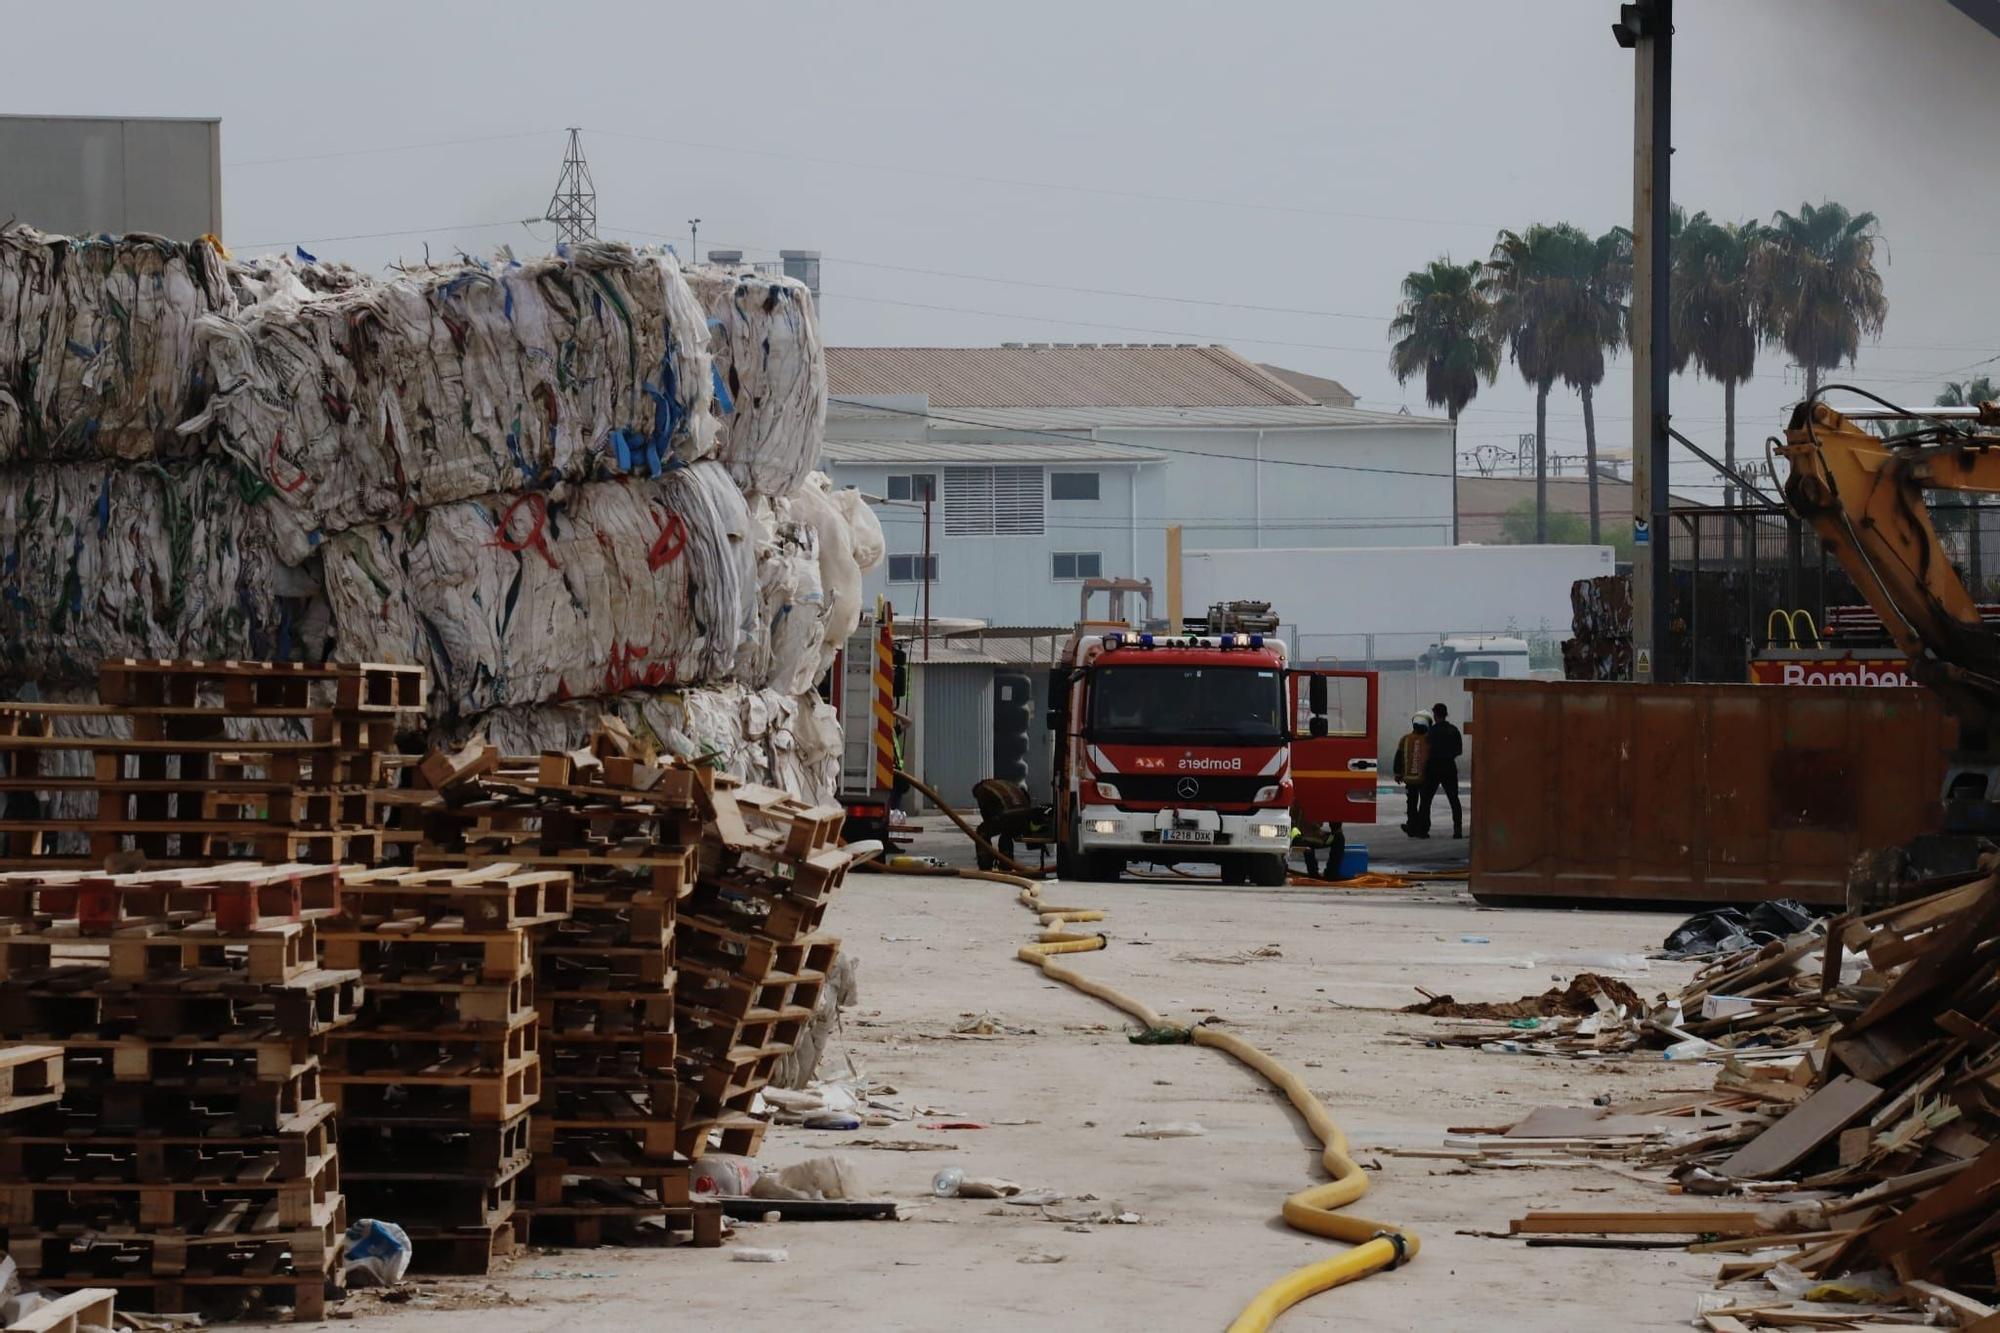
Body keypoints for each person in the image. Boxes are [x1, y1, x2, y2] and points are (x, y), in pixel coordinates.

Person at [1423, 702, 1465, 839]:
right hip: (1449, 766)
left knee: (1426, 799)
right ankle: (1457, 829)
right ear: (1446, 714)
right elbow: (1459, 750)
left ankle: (1424, 829)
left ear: (1435, 715)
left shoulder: (1431, 731)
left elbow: (1426, 750)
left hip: (1433, 767)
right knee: (1453, 799)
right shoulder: (1453, 730)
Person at [1393, 712, 1431, 837]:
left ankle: (1412, 826)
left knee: (1411, 804)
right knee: (1424, 805)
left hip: (1410, 780)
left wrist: (1398, 774)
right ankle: (1423, 830)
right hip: (1425, 779)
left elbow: (1398, 758)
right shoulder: (1429, 739)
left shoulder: (1405, 738)